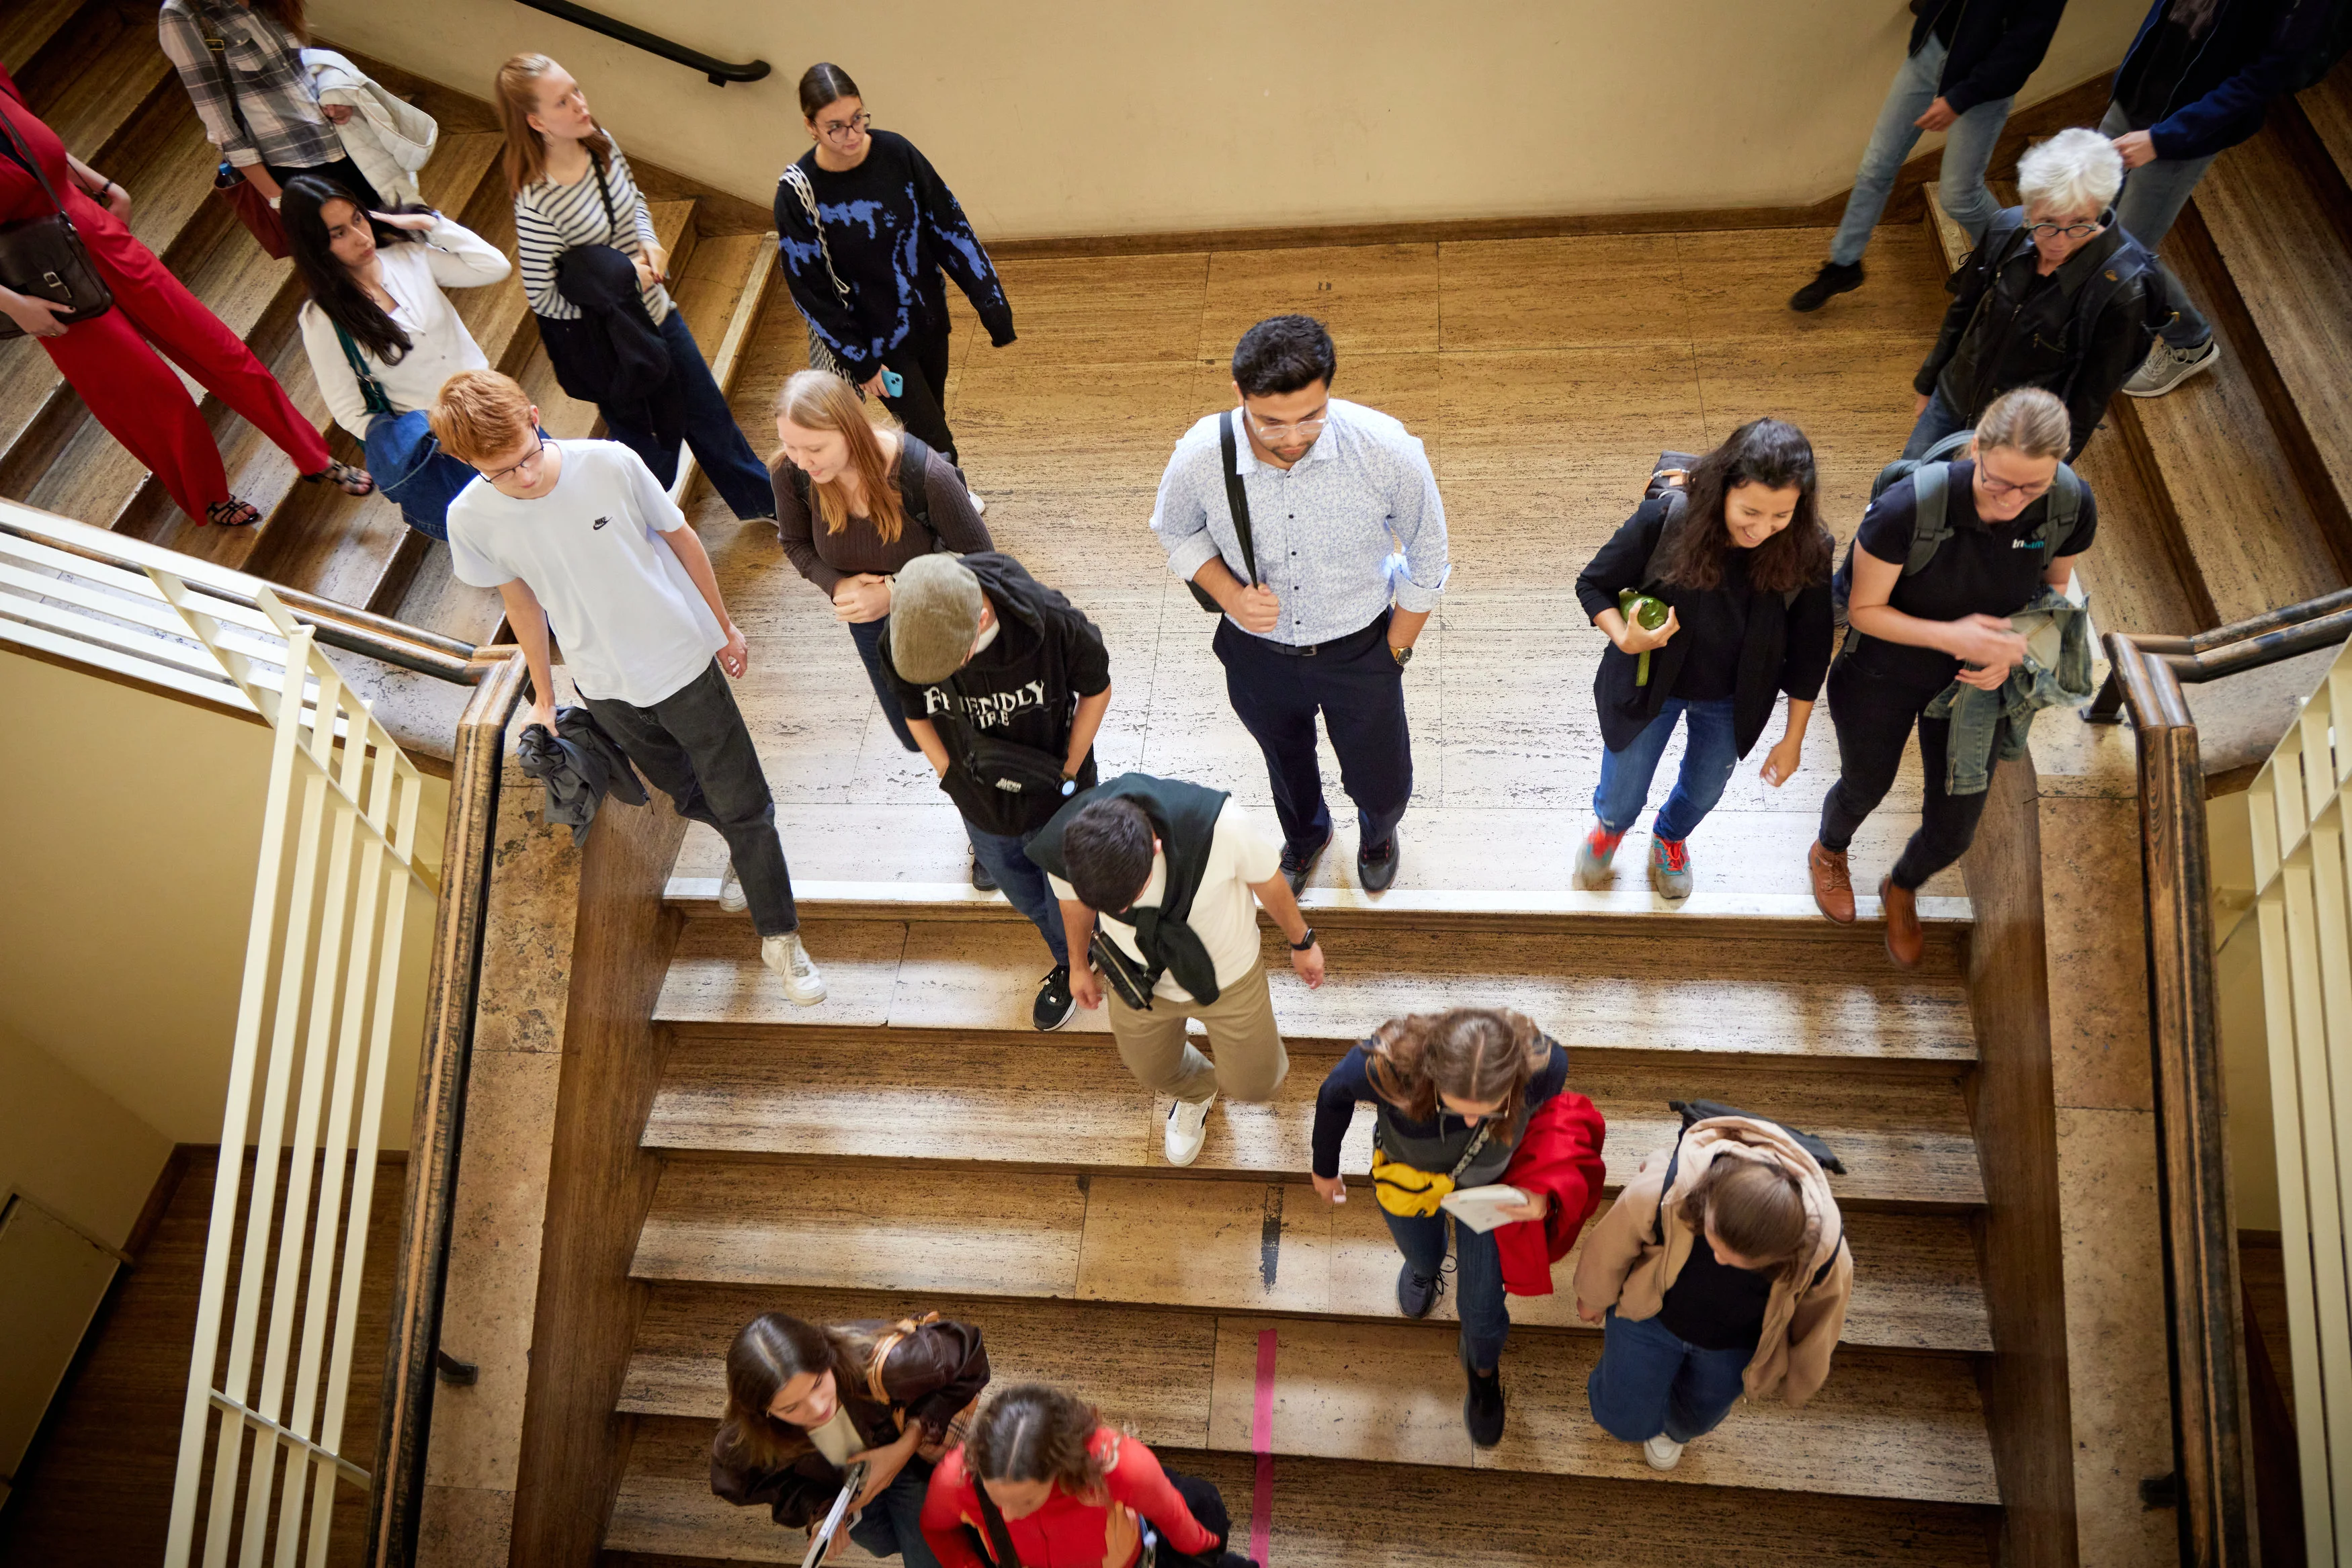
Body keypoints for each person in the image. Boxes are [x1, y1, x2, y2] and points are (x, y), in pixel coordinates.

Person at [429, 369, 825, 1002]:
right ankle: (742, 854)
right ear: (465, 462)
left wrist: (724, 629)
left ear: (535, 416)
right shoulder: (471, 518)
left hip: (683, 660)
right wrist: (546, 698)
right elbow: (522, 604)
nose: (523, 478)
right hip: (605, 686)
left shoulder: (609, 463)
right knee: (683, 790)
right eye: (500, 472)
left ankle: (781, 939)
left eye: (527, 457)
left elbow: (683, 539)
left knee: (747, 804)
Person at [1150, 314, 1449, 895]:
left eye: (1310, 417)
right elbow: (1176, 530)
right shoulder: (1200, 455)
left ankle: (1378, 833)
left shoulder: (1386, 450)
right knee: (1285, 762)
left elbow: (1429, 554)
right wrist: (1230, 595)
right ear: (1239, 395)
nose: (1292, 437)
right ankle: (1307, 837)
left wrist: (1396, 649)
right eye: (1271, 423)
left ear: (1329, 392)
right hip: (1258, 652)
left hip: (1361, 648)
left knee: (1383, 779)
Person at [0, 62, 370, 527]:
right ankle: (208, 495)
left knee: (221, 351)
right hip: (39, 278)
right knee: (154, 396)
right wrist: (13, 305)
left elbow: (37, 147)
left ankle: (310, 455)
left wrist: (104, 186)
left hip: (91, 227)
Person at [1810, 387, 2095, 967]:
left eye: (2032, 487)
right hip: (1882, 673)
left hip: (1975, 690)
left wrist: (2016, 649)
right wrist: (1953, 636)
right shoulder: (1908, 509)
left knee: (1955, 828)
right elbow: (1864, 611)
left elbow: (2054, 592)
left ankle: (1903, 885)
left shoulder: (2069, 503)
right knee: (1865, 786)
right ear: (1976, 454)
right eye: (1998, 481)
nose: (2014, 500)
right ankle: (1829, 850)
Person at [496, 52, 778, 525]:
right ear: (536, 121)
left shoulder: (600, 142)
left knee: (708, 415)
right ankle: (624, 523)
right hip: (616, 344)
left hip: (658, 312)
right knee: (650, 445)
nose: (580, 105)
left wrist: (650, 241)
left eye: (577, 90)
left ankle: (763, 503)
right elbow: (545, 296)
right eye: (563, 102)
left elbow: (636, 201)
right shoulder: (537, 199)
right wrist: (624, 282)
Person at [1308, 1008, 1605, 1449]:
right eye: (1455, 1107)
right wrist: (1324, 1167)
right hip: (1409, 1178)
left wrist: (1542, 1195)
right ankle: (1426, 1268)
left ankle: (1483, 1373)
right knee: (1421, 1255)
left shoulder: (1546, 1067)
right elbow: (1334, 1093)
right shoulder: (1390, 1066)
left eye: (1489, 1111)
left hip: (1488, 1190)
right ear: (1430, 1076)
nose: (1471, 1123)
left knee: (1483, 1313)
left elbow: (1549, 1126)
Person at [1571, 421, 1837, 899]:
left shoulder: (1808, 550)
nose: (1762, 530)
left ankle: (1670, 838)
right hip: (1650, 682)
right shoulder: (1667, 521)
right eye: (1750, 512)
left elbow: (1811, 651)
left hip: (1734, 698)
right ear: (1723, 489)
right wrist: (1624, 637)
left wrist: (1794, 737)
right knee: (1621, 794)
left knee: (1704, 790)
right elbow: (1593, 583)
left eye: (1782, 516)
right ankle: (1609, 829)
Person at [1029, 773, 1327, 1166]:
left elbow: (1268, 880)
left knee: (1256, 1082)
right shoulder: (1072, 847)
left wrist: (1301, 942)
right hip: (1138, 974)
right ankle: (1197, 1093)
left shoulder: (1223, 827)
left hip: (1229, 973)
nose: (1119, 911)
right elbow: (1074, 906)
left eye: (1128, 899)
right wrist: (1079, 966)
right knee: (1149, 1065)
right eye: (1108, 905)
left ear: (1154, 847)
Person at [877, 552, 1113, 1031]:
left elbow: (1097, 689)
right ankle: (1075, 950)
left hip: (1061, 797)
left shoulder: (1052, 622)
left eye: (954, 661)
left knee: (1071, 891)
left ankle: (1081, 957)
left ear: (981, 619)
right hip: (981, 804)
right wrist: (948, 774)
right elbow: (914, 712)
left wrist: (1067, 766)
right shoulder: (905, 638)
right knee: (1026, 895)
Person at [775, 62, 1015, 486]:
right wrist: (862, 363)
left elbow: (948, 226)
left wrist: (990, 302)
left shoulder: (896, 153)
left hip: (928, 319)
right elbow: (810, 293)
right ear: (810, 126)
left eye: (858, 119)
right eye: (836, 127)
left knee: (929, 425)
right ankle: (953, 513)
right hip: (876, 342)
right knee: (935, 439)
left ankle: (913, 494)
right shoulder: (798, 193)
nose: (852, 136)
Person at [1574, 1115, 1853, 1471]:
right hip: (1650, 1319)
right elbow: (1611, 1246)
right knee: (1622, 1414)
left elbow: (1821, 1322)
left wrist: (1801, 1380)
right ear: (1708, 1201)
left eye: (1740, 1262)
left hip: (1735, 1347)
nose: (1719, 1260)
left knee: (1695, 1416)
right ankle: (1640, 1419)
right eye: (1714, 1243)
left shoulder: (1823, 1256)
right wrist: (1593, 1298)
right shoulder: (1666, 1191)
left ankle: (1673, 1431)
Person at [2101, 0, 2337, 397]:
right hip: (2139, 90)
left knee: (2126, 252)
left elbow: (2267, 76)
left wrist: (2163, 139)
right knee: (2094, 217)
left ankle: (2190, 341)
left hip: (2183, 130)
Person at [1790, 0, 2070, 311]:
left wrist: (1960, 98)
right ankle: (1844, 266)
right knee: (1875, 167)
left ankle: (2024, 262)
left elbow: (2026, 48)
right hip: (1929, 53)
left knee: (1960, 197)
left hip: (1983, 81)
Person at [771, 369, 993, 757]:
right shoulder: (791, 474)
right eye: (790, 445)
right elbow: (794, 543)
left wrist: (894, 593)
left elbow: (985, 565)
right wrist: (838, 586)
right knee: (914, 734)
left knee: (976, 724)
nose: (802, 461)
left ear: (849, 429)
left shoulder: (925, 476)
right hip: (870, 624)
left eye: (816, 448)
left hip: (946, 613)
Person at [1905, 128, 2153, 460]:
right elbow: (1963, 311)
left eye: (2080, 224)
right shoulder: (2006, 229)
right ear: (2028, 209)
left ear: (2100, 213)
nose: (2059, 242)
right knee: (1903, 489)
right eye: (2046, 222)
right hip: (1954, 396)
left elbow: (2090, 398)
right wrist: (1929, 384)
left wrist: (2052, 465)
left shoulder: (2122, 289)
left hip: (2016, 435)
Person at [286, 176, 509, 539]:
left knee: (549, 501)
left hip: (493, 406)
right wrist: (417, 439)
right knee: (501, 536)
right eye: (338, 233)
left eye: (358, 219)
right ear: (316, 245)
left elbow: (494, 267)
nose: (360, 237)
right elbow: (348, 409)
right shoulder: (322, 317)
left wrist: (433, 224)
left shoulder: (409, 257)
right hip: (442, 445)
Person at [711, 1309, 990, 1568]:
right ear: (764, 1413)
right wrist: (818, 1510)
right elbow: (751, 1482)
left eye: (818, 1384)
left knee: (926, 1548)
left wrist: (905, 1447)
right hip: (841, 1484)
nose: (819, 1409)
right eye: (791, 1408)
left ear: (827, 1358)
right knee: (882, 1542)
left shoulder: (890, 1363)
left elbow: (971, 1353)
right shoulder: (744, 1441)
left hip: (910, 1461)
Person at [919, 1383, 1238, 1568]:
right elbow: (936, 1529)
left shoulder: (1123, 1467)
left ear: (1060, 1467)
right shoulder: (955, 1479)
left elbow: (1174, 1516)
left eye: (1026, 1500)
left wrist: (1204, 1549)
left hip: (1136, 1557)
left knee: (1204, 1505)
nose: (1010, 1516)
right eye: (994, 1499)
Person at [157, 0, 385, 211]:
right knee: (358, 251)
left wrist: (334, 98)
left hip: (349, 143)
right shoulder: (182, 14)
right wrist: (278, 200)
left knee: (408, 239)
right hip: (297, 169)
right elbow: (220, 122)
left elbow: (300, 67)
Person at [299, 46, 437, 207]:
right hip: (310, 162)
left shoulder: (287, 48)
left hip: (351, 151)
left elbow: (318, 60)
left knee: (401, 207)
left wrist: (335, 93)